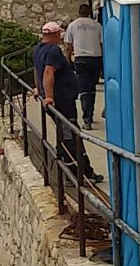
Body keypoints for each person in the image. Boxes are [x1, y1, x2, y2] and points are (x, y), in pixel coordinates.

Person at [32, 21, 103, 183]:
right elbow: (48, 72)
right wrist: (49, 96)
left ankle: (83, 171)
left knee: (67, 134)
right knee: (70, 135)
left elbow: (38, 70)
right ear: (55, 35)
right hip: (62, 101)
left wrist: (38, 89)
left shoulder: (37, 50)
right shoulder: (54, 51)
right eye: (59, 35)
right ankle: (77, 174)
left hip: (61, 100)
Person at [64, 3, 103, 129]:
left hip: (81, 59)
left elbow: (68, 46)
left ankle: (87, 118)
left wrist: (68, 60)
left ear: (79, 12)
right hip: (95, 58)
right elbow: (102, 44)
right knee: (92, 89)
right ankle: (89, 113)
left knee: (84, 89)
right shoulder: (97, 26)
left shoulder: (73, 25)